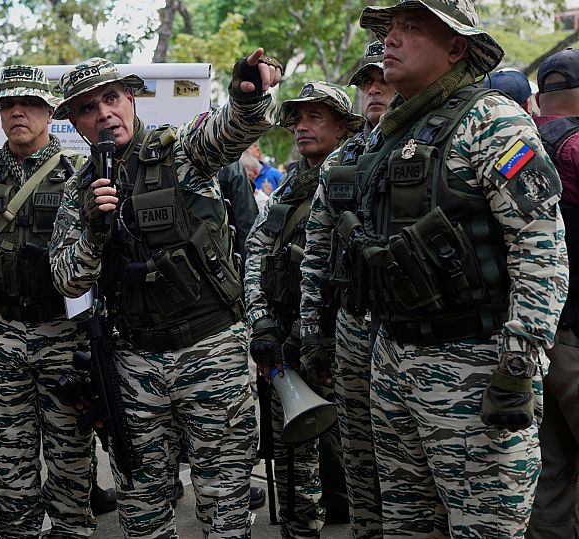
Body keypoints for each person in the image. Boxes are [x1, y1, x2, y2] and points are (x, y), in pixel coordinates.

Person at [326, 0, 567, 536]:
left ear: (456, 47)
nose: (391, 38)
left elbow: (540, 249)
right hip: (394, 365)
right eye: (390, 28)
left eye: (411, 27)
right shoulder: (389, 136)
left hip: (475, 374)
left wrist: (517, 367)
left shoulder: (493, 123)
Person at [49, 49, 281, 537]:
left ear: (130, 98)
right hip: (135, 365)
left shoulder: (181, 150)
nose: (105, 114)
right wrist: (94, 227)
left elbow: (233, 129)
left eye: (112, 98)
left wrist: (248, 96)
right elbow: (69, 279)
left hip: (210, 350)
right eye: (88, 108)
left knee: (224, 505)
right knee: (142, 507)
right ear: (74, 120)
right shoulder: (78, 191)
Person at [0, 65, 106, 538]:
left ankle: (70, 530)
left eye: (30, 104)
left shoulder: (79, 177)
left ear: (49, 112)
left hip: (63, 336)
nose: (18, 112)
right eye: (8, 105)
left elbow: (101, 268)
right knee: (9, 458)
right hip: (1, 335)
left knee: (69, 457)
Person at [245, 81, 364, 537]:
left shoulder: (353, 177)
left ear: (341, 126)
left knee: (355, 458)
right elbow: (256, 252)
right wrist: (264, 323)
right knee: (293, 454)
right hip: (285, 345)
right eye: (297, 119)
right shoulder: (291, 184)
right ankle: (301, 527)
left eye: (316, 117)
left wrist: (318, 337)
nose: (302, 127)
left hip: (337, 345)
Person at [299, 41, 396, 539]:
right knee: (359, 453)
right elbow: (316, 253)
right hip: (353, 327)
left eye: (381, 78)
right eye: (365, 83)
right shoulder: (345, 157)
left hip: (413, 327)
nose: (373, 90)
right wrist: (313, 332)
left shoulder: (436, 138)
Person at [526, 47, 579, 539]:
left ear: (540, 98)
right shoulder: (576, 148)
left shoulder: (519, 147)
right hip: (576, 338)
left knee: (552, 476)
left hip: (536, 336)